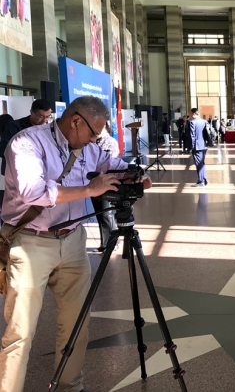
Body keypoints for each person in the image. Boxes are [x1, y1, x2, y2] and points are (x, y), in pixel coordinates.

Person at [0, 96, 152, 392]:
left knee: (76, 325)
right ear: (75, 121)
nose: (96, 139)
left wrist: (137, 176)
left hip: (72, 241)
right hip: (31, 241)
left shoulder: (89, 149)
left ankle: (70, 386)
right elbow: (33, 192)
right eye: (94, 132)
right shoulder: (27, 143)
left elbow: (113, 164)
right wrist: (88, 188)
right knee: (20, 331)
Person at [0, 99, 53, 175]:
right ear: (31, 112)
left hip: (40, 172)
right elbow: (2, 149)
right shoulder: (14, 127)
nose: (44, 121)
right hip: (15, 172)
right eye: (41, 117)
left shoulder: (48, 129)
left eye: (48, 117)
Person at [91, 122, 121, 253]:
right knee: (100, 214)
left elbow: (110, 164)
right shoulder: (94, 143)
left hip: (107, 182)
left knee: (107, 214)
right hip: (95, 182)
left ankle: (112, 242)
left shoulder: (110, 142)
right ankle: (106, 243)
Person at [189, 108, 209, 187]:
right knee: (202, 163)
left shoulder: (192, 122)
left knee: (199, 164)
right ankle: (204, 179)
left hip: (197, 146)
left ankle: (201, 181)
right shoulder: (204, 121)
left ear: (193, 114)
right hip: (204, 145)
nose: (189, 115)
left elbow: (192, 136)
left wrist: (192, 146)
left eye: (190, 113)